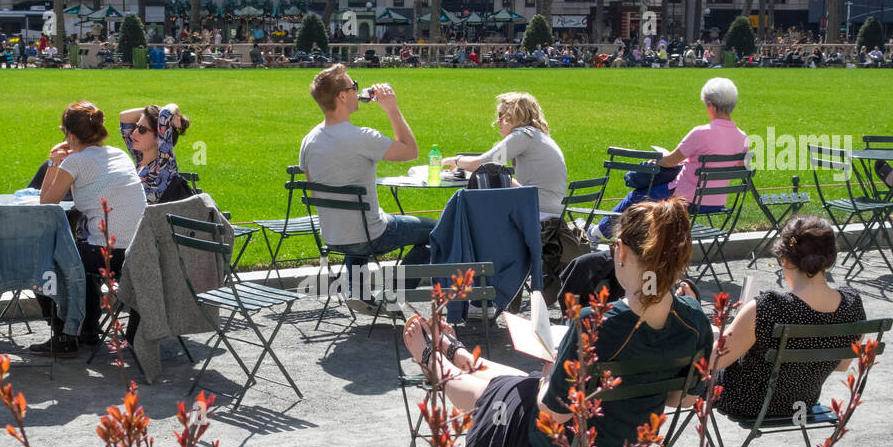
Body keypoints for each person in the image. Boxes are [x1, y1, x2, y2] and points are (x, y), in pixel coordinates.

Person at [401, 200, 713, 447]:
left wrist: (551, 371)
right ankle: (458, 354)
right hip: (631, 441)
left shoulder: (595, 325)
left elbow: (553, 412)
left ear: (620, 251)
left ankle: (434, 362)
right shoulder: (694, 319)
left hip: (574, 443)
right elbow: (684, 399)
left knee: (515, 392)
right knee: (518, 384)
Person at [712, 216, 865, 420]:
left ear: (785, 259)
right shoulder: (852, 305)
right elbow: (841, 365)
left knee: (692, 364)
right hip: (800, 405)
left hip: (746, 403)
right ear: (830, 260)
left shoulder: (769, 306)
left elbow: (715, 361)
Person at [299, 64, 427, 302]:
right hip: (370, 235)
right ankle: (393, 294)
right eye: (353, 86)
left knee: (359, 221)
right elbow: (411, 151)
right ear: (343, 96)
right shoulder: (362, 137)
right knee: (437, 231)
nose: (358, 90)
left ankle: (357, 291)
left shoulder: (309, 140)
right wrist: (392, 109)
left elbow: (315, 193)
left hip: (333, 235)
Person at [34, 101, 148, 356]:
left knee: (43, 264)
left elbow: (46, 202)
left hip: (110, 254)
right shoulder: (119, 154)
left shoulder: (75, 163)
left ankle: (65, 333)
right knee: (82, 259)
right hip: (139, 251)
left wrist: (54, 162)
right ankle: (86, 331)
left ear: (70, 135)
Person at [592, 77, 750, 243]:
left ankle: (598, 233)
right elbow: (739, 167)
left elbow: (669, 161)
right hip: (717, 202)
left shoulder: (700, 133)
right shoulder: (742, 137)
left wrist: (656, 160)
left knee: (638, 196)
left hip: (685, 198)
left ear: (710, 105)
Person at [441, 92, 567, 220]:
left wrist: (455, 160)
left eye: (501, 115)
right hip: (551, 211)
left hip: (538, 213)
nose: (497, 121)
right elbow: (493, 166)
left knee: (475, 214)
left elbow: (482, 163)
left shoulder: (523, 136)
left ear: (515, 115)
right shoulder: (537, 135)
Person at [119, 103, 193, 203]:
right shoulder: (140, 157)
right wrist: (152, 112)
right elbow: (124, 117)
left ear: (159, 137)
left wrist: (174, 112)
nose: (134, 133)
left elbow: (165, 114)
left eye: (142, 129)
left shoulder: (163, 165)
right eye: (137, 126)